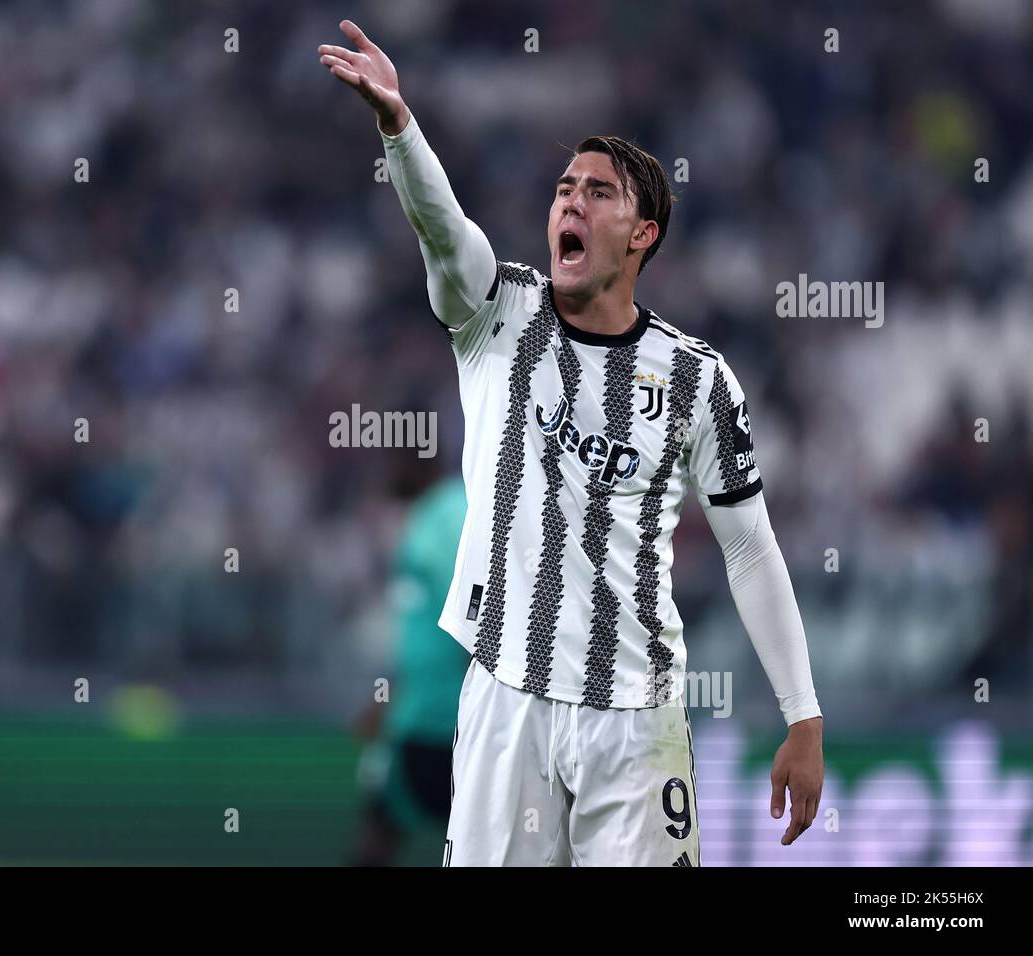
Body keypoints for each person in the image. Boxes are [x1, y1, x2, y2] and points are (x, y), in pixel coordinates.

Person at [318, 19, 824, 866]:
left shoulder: (698, 378)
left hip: (636, 716)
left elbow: (751, 551)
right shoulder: (497, 316)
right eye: (563, 188)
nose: (570, 201)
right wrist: (399, 128)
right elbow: (443, 228)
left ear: (642, 234)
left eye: (598, 191)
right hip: (503, 699)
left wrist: (802, 715)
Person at [351, 473, 470, 866]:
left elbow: (470, 611)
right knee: (382, 822)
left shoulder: (444, 514)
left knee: (386, 830)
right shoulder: (431, 515)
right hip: (422, 717)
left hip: (444, 722)